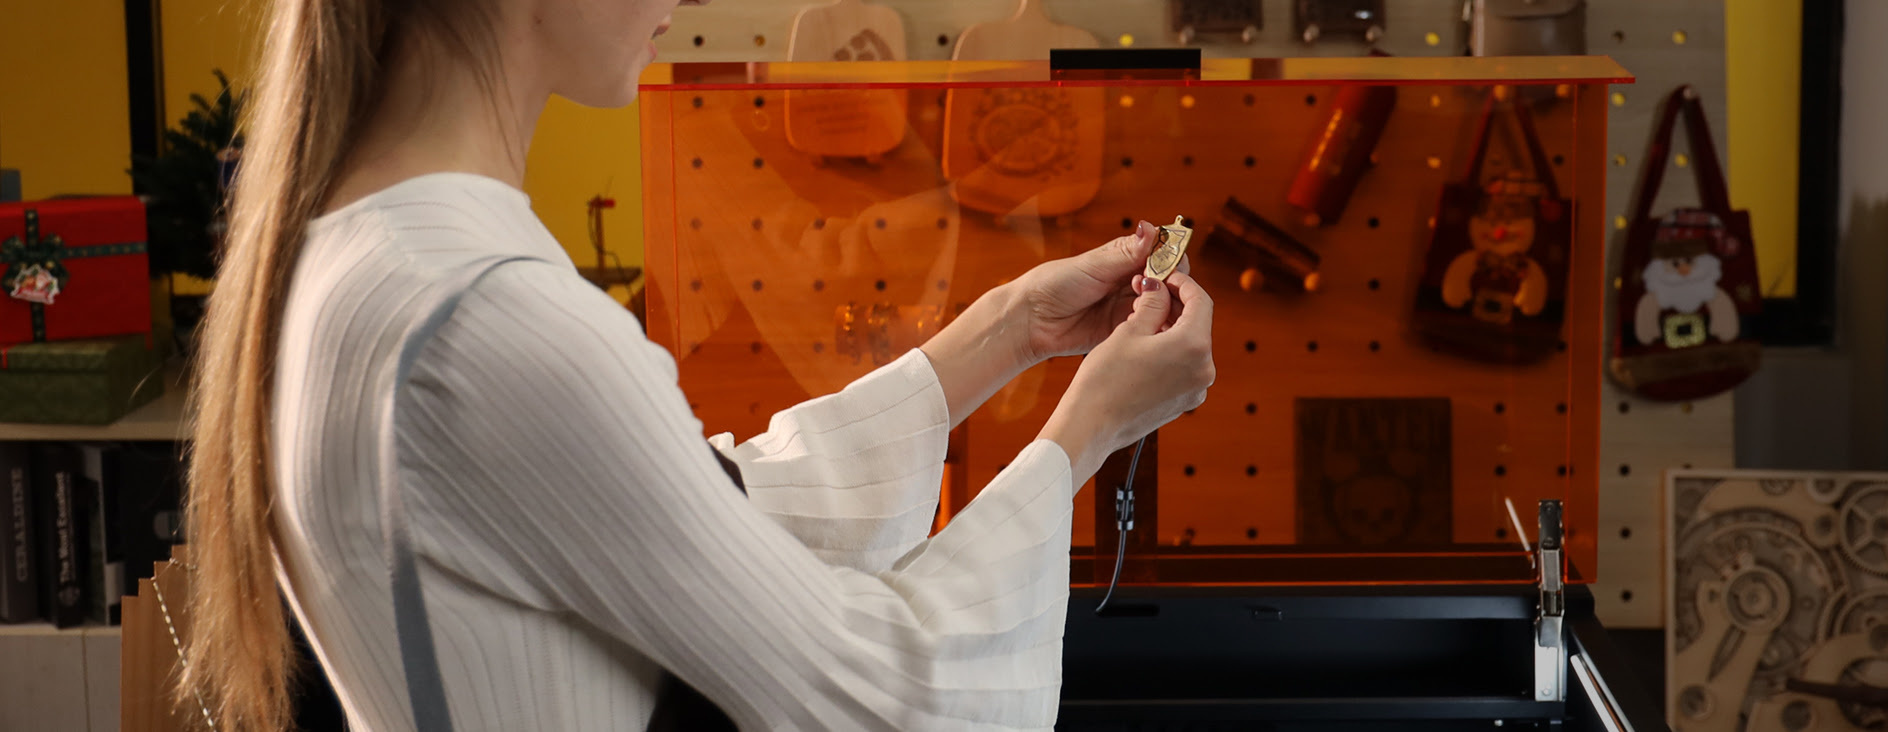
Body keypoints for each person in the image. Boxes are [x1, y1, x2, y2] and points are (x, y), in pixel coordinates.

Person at [179, 0, 1216, 729]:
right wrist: (1087, 435)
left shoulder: (375, 256)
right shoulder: (483, 316)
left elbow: (693, 515)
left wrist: (1003, 332)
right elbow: (875, 697)